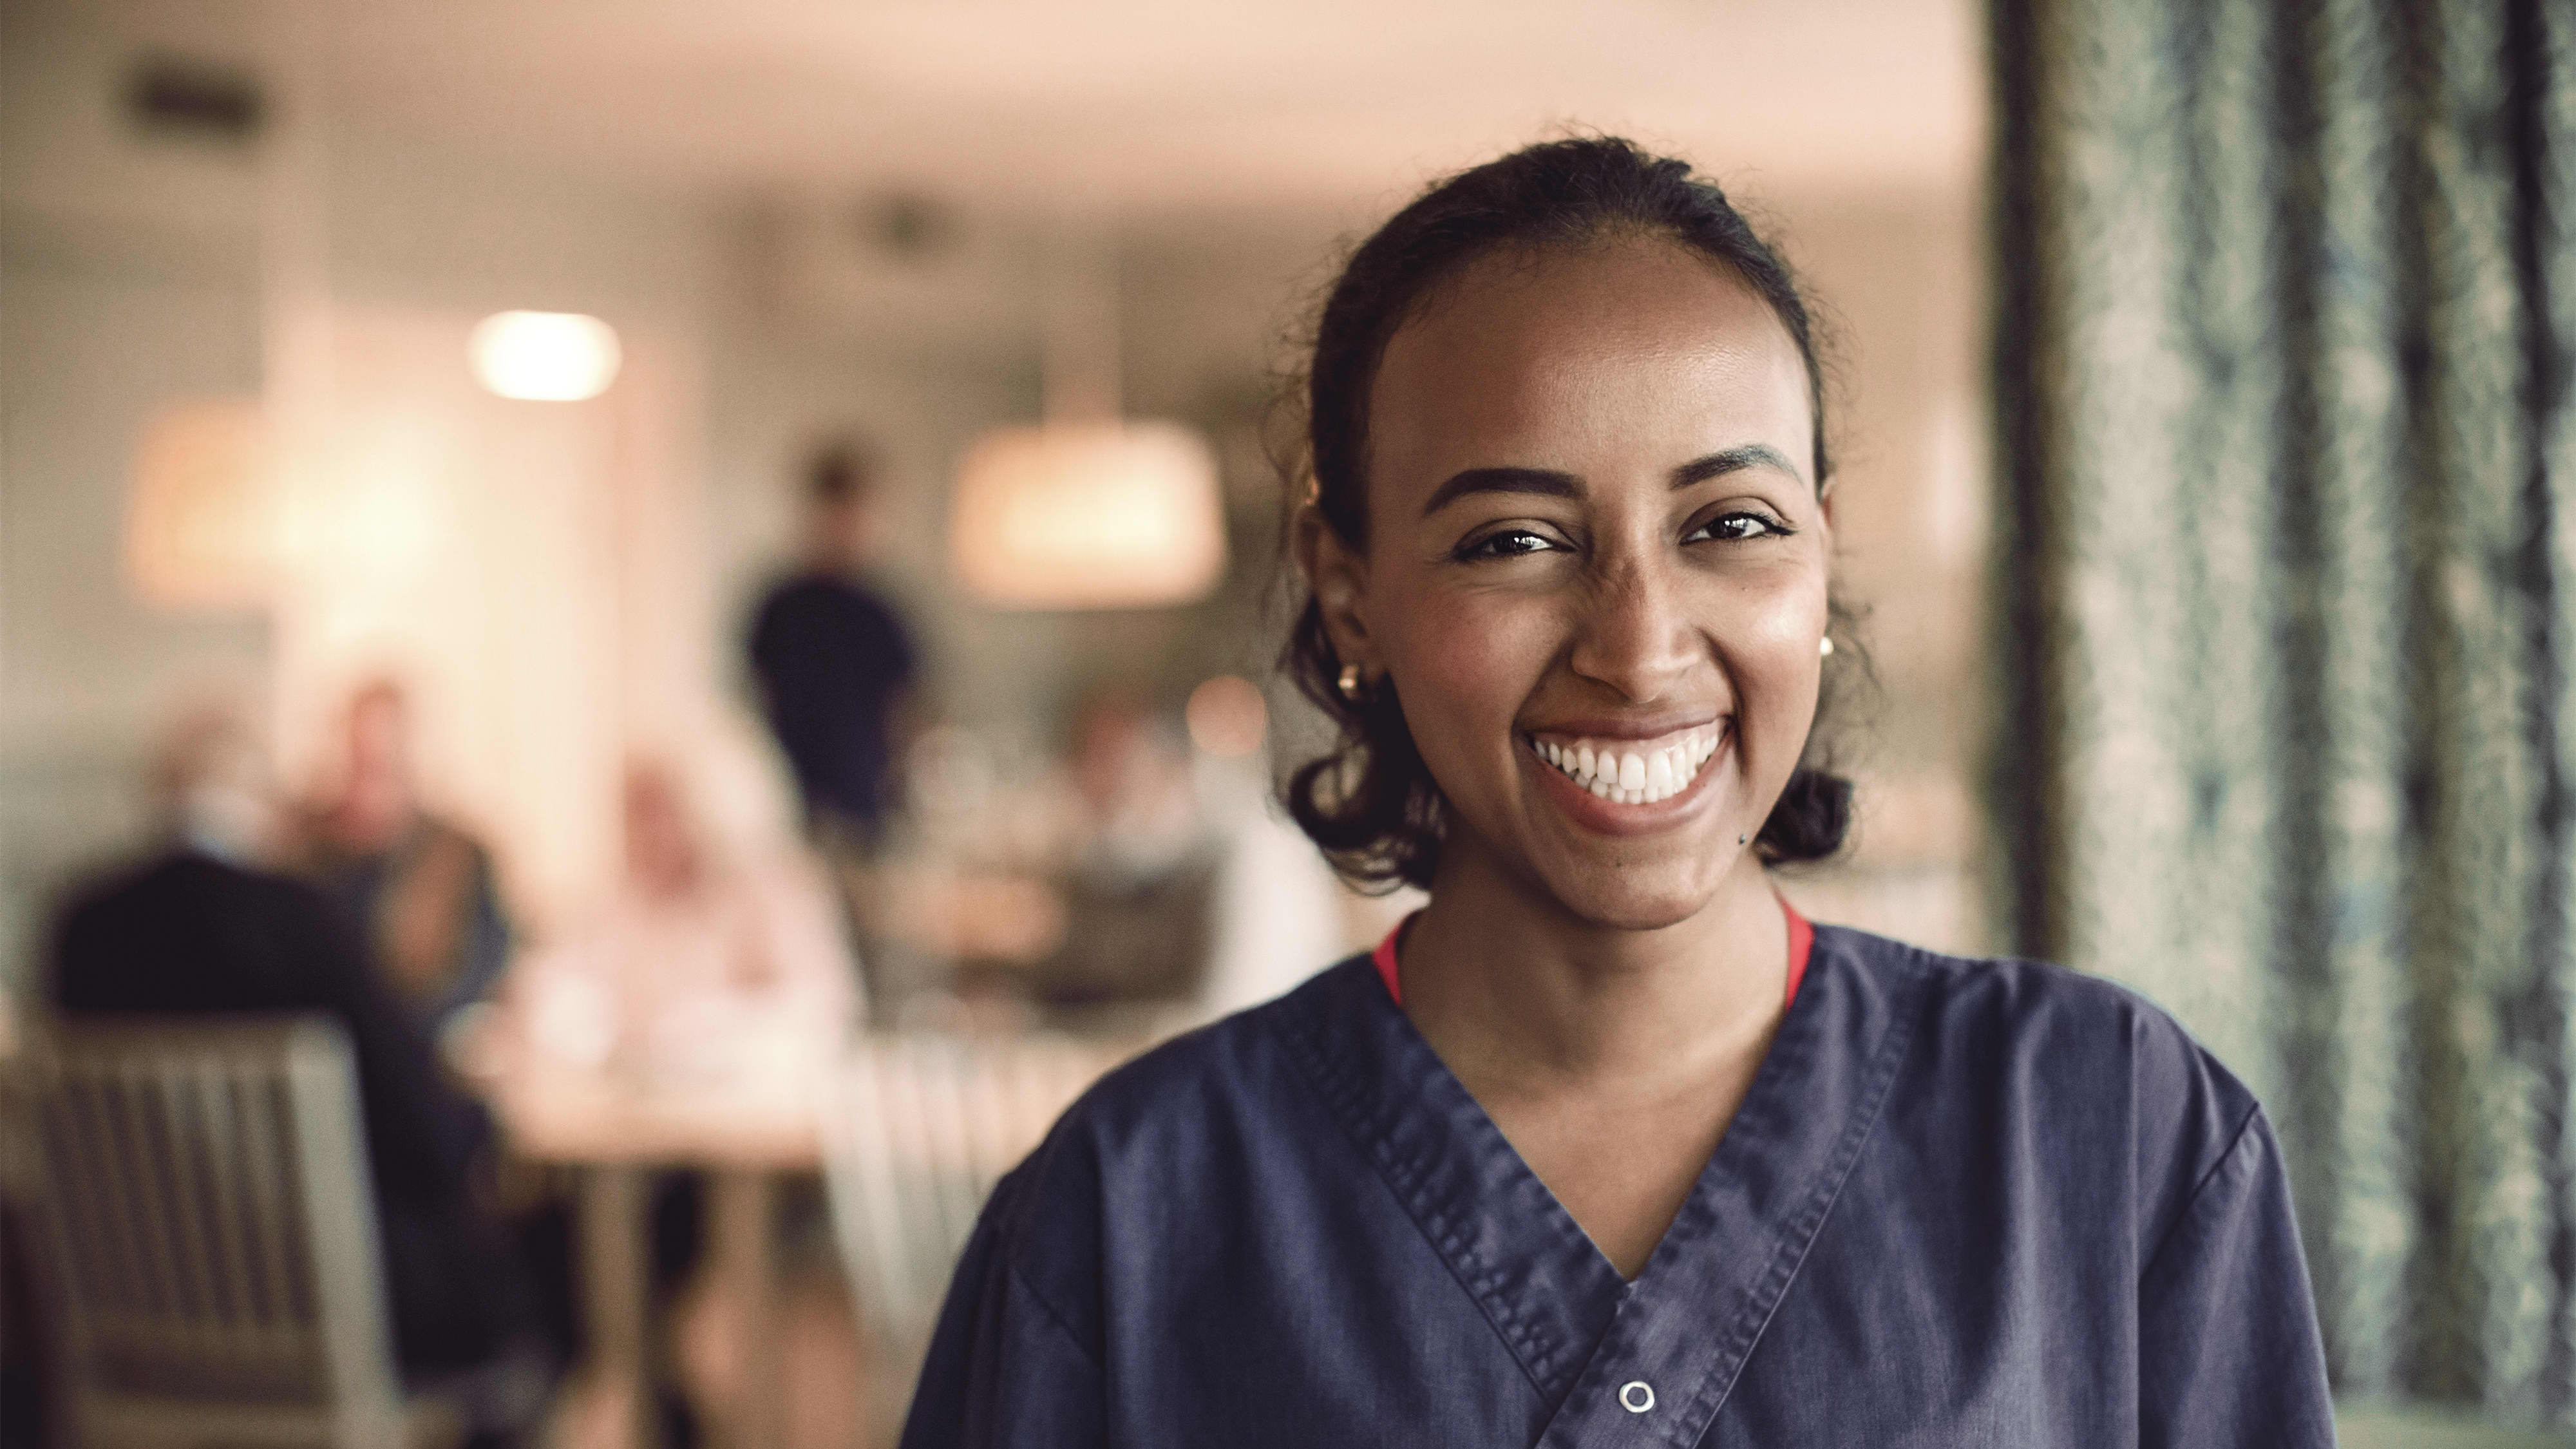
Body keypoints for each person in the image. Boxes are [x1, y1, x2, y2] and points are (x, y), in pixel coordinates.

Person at [900, 139, 2334, 1446]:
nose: (1639, 646)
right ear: (1347, 595)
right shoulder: (1121, 1219)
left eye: (1730, 525)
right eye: (1514, 540)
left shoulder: (2113, 1134)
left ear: (1820, 558)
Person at [48, 706, 550, 1418]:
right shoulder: (297, 918)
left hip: (131, 1322)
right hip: (331, 1310)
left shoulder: (79, 924)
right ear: (262, 801)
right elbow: (422, 1123)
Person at [296, 678, 512, 1041]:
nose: (370, 780)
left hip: (425, 1061)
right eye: (360, 759)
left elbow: (485, 975)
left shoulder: (458, 856)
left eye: (383, 763)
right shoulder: (305, 851)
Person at [746, 441, 922, 851]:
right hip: (789, 802)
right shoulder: (780, 608)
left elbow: (906, 712)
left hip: (865, 803)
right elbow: (758, 700)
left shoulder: (882, 612)